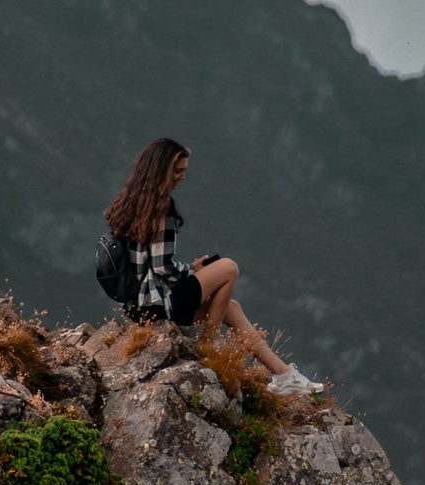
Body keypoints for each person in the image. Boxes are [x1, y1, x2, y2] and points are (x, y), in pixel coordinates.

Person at [100, 137, 318, 391]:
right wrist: (192, 270)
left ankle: (284, 376)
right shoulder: (161, 207)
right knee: (228, 267)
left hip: (137, 308)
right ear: (162, 170)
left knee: (231, 308)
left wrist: (189, 270)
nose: (182, 177)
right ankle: (207, 349)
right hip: (160, 305)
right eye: (178, 170)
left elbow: (147, 264)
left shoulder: (130, 202)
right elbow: (162, 268)